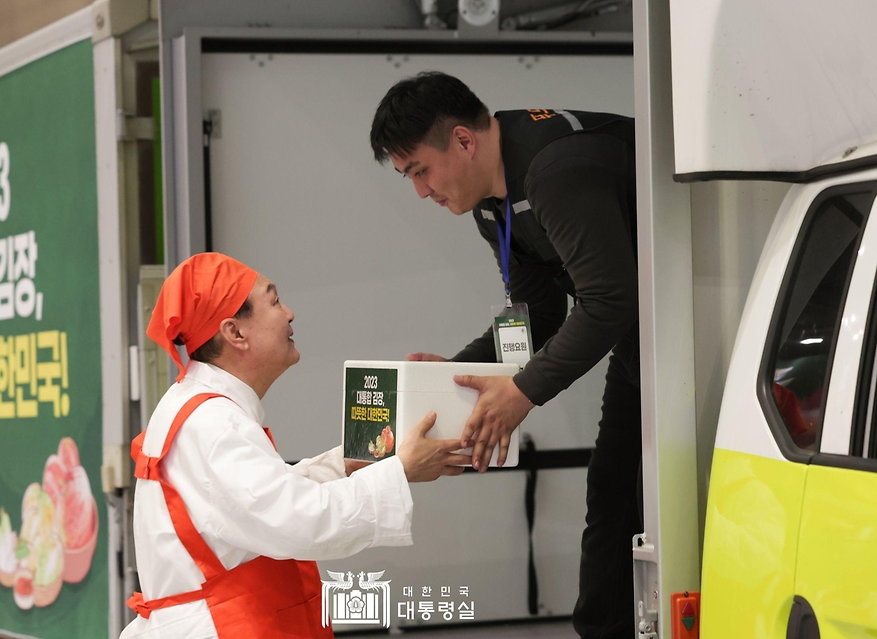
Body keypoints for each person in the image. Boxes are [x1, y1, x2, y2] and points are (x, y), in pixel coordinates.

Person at [370, 72, 641, 639]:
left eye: (420, 170)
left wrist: (521, 392)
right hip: (648, 338)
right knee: (616, 494)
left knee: (622, 492)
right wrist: (458, 369)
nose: (420, 191)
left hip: (700, 330)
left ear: (464, 141)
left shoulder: (554, 170)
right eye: (408, 178)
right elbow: (538, 312)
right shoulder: (493, 204)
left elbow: (610, 301)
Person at [120, 252, 469, 639]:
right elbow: (297, 521)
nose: (289, 313)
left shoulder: (198, 406)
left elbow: (259, 501)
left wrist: (350, 463)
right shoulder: (214, 425)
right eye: (274, 301)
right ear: (235, 333)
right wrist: (399, 470)